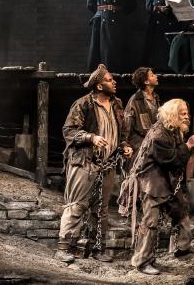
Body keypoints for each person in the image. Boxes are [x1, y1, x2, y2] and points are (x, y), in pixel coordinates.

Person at [55, 64, 133, 264]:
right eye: (109, 79)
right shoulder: (83, 104)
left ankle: (97, 248)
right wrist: (90, 137)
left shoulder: (117, 104)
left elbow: (121, 133)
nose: (114, 82)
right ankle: (63, 248)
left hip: (107, 164)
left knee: (101, 209)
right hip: (84, 162)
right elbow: (68, 131)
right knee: (77, 205)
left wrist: (124, 146)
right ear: (99, 86)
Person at [128, 99, 194, 275]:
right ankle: (142, 261)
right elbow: (170, 159)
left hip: (165, 180)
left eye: (187, 113)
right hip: (152, 182)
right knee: (151, 222)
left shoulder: (173, 130)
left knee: (180, 210)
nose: (187, 116)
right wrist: (188, 146)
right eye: (183, 113)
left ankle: (182, 247)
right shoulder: (159, 134)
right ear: (173, 115)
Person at [87, 0, 136, 72]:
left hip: (118, 21)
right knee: (100, 48)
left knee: (116, 49)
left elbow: (132, 4)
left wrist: (120, 14)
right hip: (101, 20)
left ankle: (116, 73)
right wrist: (100, 13)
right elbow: (90, 3)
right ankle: (99, 73)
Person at [143, 0, 186, 72]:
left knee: (170, 48)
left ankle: (171, 70)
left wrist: (172, 8)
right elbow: (148, 7)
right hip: (157, 23)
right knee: (157, 47)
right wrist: (159, 8)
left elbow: (184, 5)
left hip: (173, 22)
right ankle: (157, 70)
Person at [122, 67, 161, 170]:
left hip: (152, 143)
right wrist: (125, 144)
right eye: (152, 75)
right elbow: (127, 124)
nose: (156, 76)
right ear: (146, 81)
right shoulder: (135, 100)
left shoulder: (156, 98)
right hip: (138, 144)